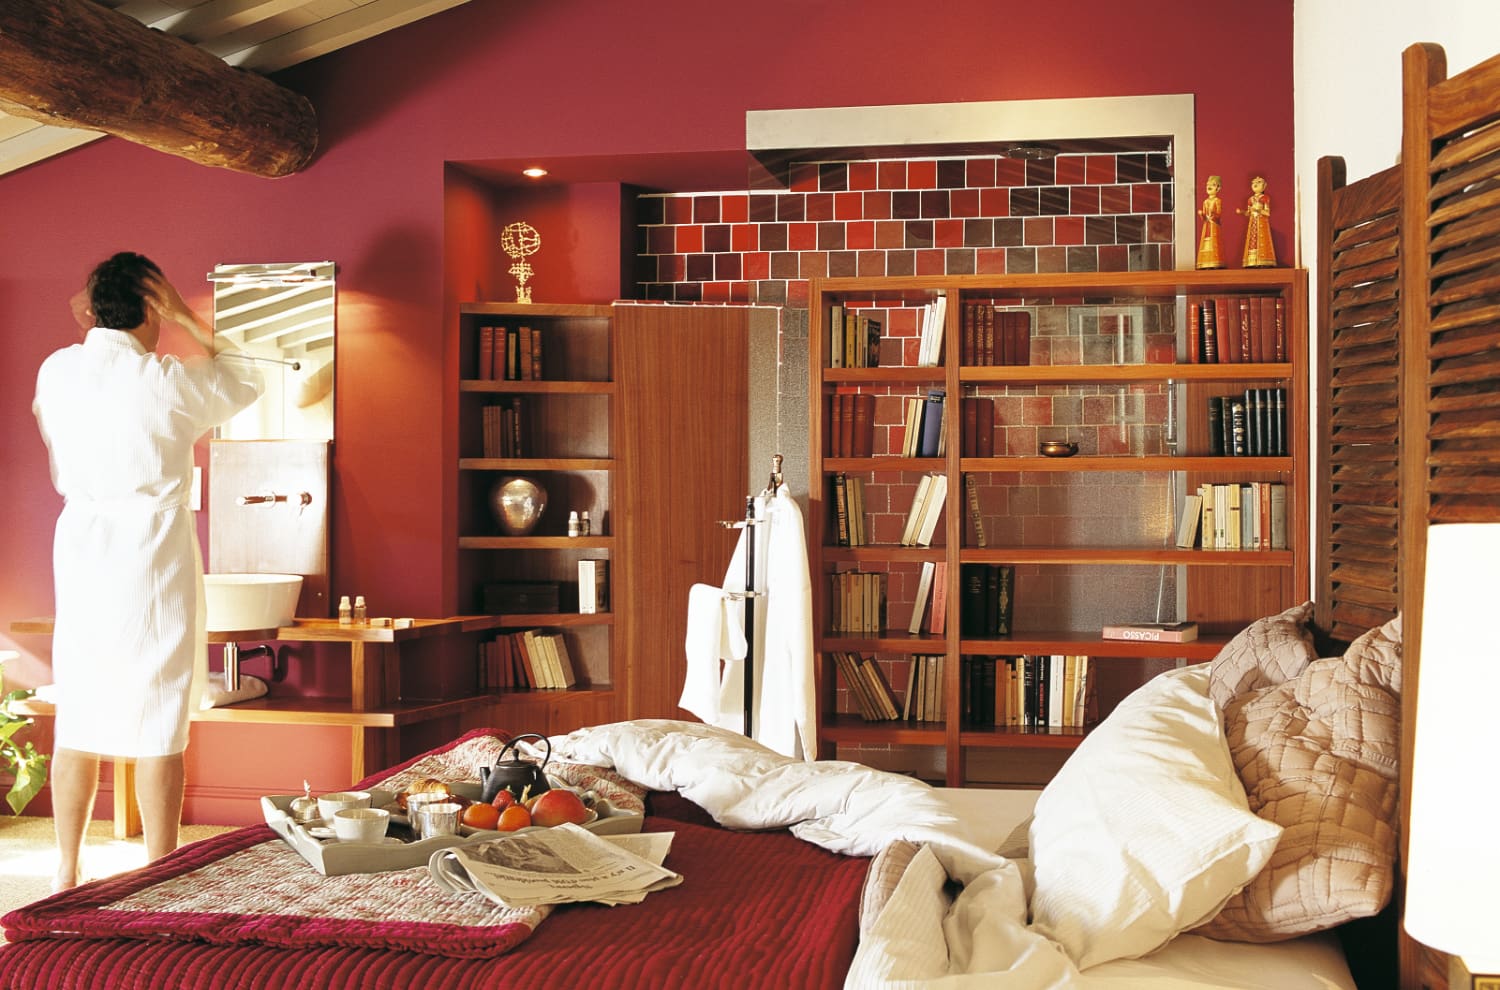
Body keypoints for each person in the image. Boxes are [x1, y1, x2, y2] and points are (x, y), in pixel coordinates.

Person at [32, 253, 265, 891]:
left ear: (95, 308)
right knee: (160, 711)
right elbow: (246, 377)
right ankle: (161, 872)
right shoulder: (165, 382)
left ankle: (65, 870)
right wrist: (187, 315)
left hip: (83, 547)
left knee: (80, 707)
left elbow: (55, 422)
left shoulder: (58, 370)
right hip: (152, 554)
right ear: (152, 309)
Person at [1237, 175, 1278, 268]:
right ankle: (1252, 261)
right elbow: (1248, 213)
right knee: (1252, 240)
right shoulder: (1250, 199)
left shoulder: (1265, 198)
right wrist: (1242, 212)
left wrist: (1257, 210)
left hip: (1261, 222)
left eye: (1258, 183)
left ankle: (1263, 260)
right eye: (1253, 183)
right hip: (1253, 223)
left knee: (1262, 240)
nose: (1255, 184)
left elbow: (1267, 213)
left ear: (1264, 186)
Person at [1196, 175, 1223, 269]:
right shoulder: (1205, 202)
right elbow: (1204, 218)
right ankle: (1205, 262)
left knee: (1213, 242)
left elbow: (1219, 214)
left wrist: (1213, 214)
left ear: (1218, 188)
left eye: (1213, 184)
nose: (1209, 186)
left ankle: (1215, 262)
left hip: (1214, 225)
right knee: (1206, 242)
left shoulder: (1217, 200)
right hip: (1207, 225)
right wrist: (1201, 214)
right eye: (1208, 184)